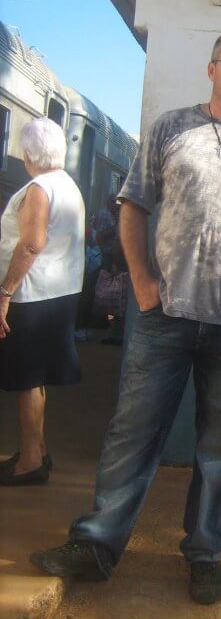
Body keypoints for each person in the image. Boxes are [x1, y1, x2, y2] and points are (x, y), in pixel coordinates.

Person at [31, 31, 221, 605]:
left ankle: (205, 554)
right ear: (211, 68)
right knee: (133, 433)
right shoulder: (170, 128)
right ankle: (95, 546)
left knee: (219, 446)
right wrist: (142, 283)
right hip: (164, 319)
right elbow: (133, 206)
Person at [0, 118, 85, 486]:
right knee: (36, 380)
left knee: (26, 378)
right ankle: (37, 449)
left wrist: (5, 293)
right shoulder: (67, 186)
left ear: (28, 153)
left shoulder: (39, 188)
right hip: (58, 295)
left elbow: (31, 243)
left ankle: (31, 463)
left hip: (32, 296)